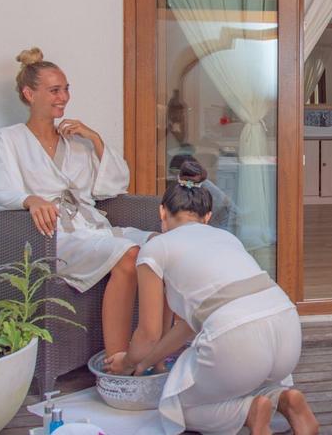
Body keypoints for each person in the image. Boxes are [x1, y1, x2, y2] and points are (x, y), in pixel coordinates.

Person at [104, 159, 319, 435]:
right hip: (286, 328)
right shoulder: (227, 238)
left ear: (162, 212)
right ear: (206, 216)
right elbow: (189, 325)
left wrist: (128, 362)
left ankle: (250, 412)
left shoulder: (156, 248)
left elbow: (148, 333)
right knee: (248, 376)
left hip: (236, 340)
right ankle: (283, 400)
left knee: (178, 407)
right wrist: (145, 362)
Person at [0, 48, 149, 357]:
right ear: (29, 93)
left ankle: (153, 350)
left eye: (66, 89)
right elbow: (1, 188)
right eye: (54, 90)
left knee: (163, 245)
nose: (63, 97)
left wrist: (95, 139)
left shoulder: (76, 141)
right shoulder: (8, 140)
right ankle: (115, 361)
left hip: (92, 228)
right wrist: (30, 199)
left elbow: (113, 186)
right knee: (130, 253)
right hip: (52, 237)